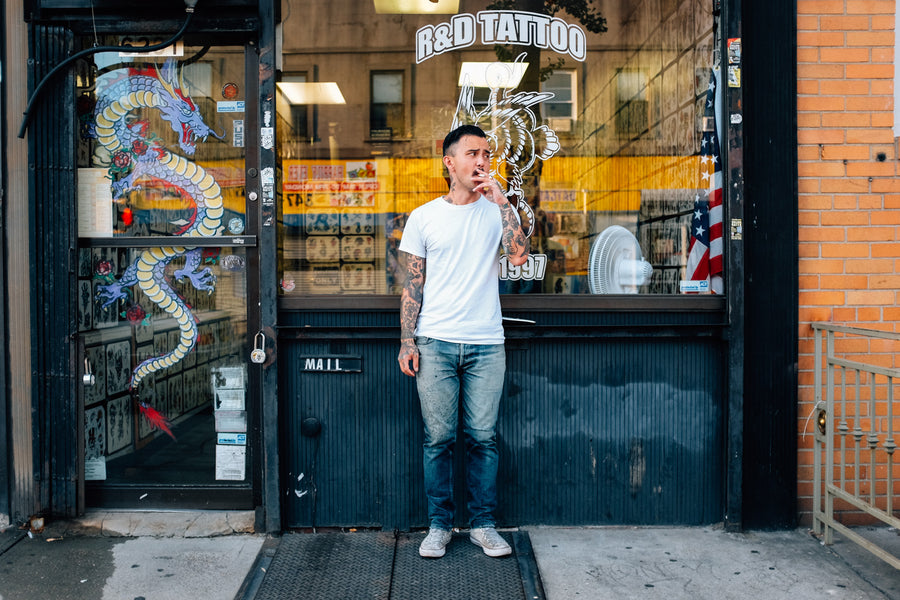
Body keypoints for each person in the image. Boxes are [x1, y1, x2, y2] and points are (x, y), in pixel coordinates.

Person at [397, 124, 529, 559]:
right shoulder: (424, 217)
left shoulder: (496, 211)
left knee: (483, 439)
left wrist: (503, 201)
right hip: (434, 343)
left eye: (487, 153)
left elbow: (518, 255)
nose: (482, 161)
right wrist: (407, 341)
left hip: (487, 343)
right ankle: (438, 526)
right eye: (472, 153)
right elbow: (411, 286)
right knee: (438, 440)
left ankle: (483, 525)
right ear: (449, 161)